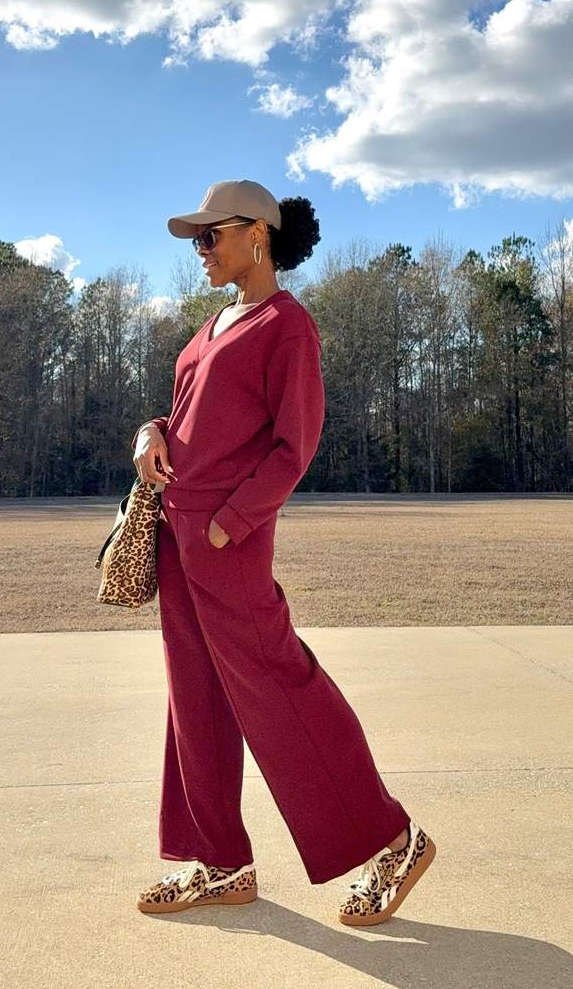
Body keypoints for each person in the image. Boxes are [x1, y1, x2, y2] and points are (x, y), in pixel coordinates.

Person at [131, 179, 436, 925]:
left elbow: (293, 446)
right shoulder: (214, 323)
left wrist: (229, 525)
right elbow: (189, 417)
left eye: (211, 236)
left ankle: (393, 841)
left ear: (257, 235)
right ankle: (220, 864)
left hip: (224, 541)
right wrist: (150, 432)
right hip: (177, 535)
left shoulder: (287, 326)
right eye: (196, 240)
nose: (201, 250)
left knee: (280, 690)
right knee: (194, 700)